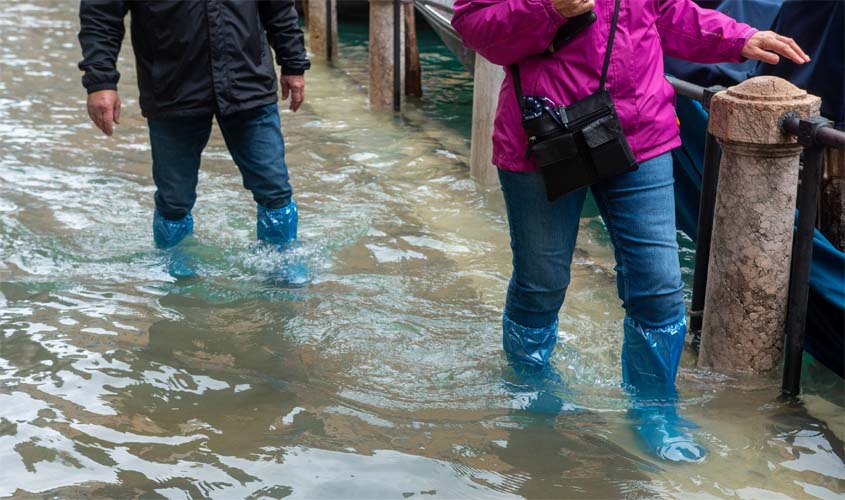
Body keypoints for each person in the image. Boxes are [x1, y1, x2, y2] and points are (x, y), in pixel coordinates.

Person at [452, 0, 808, 462]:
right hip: (540, 136)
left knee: (659, 284)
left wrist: (737, 38)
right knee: (541, 281)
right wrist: (549, 11)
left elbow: (667, 12)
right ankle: (530, 385)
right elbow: (475, 27)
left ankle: (655, 410)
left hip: (640, 132)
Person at [78, 0, 310, 281]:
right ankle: (178, 278)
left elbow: (278, 7)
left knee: (274, 188)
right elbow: (101, 15)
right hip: (172, 88)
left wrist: (293, 63)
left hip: (248, 82)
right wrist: (101, 82)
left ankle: (282, 272)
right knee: (174, 199)